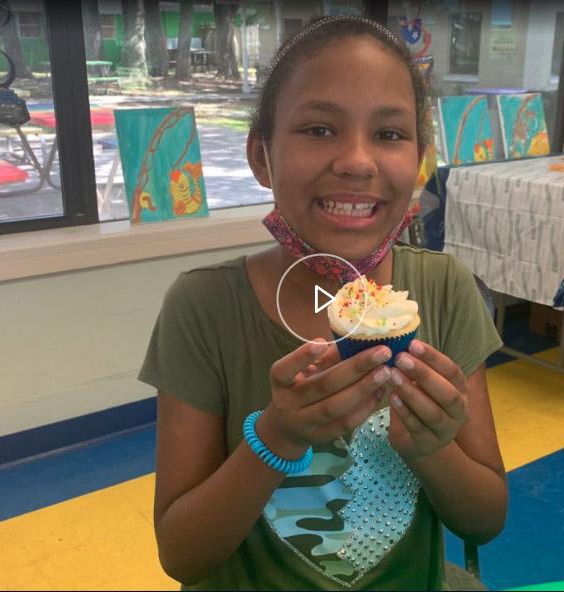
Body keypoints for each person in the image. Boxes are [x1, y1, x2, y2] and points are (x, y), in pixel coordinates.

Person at [139, 15, 507, 590]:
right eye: (318, 129)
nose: (357, 161)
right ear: (261, 157)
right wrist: (277, 438)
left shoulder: (445, 290)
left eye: (388, 134)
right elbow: (182, 555)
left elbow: (484, 519)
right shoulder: (204, 306)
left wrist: (433, 449)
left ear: (420, 160)